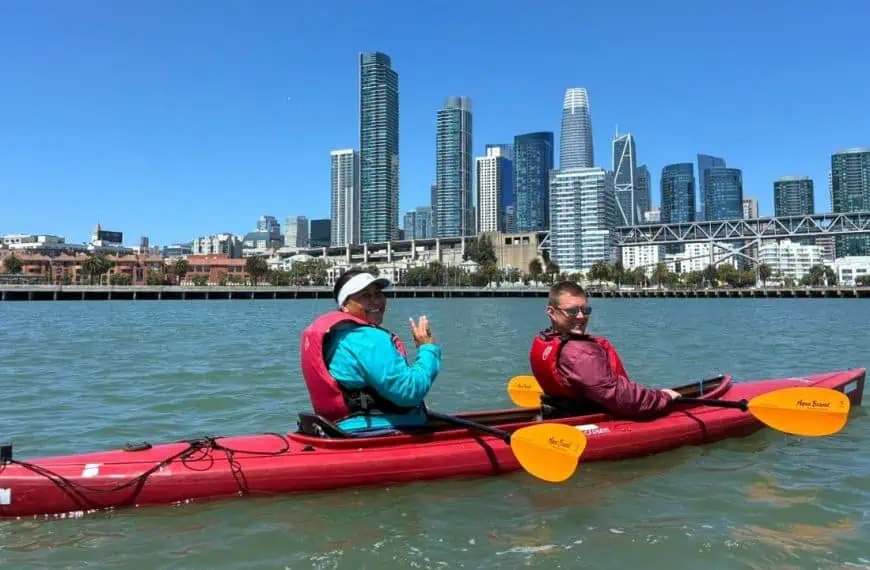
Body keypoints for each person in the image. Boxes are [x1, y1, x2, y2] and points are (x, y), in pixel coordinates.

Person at [299, 269, 441, 435]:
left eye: (378, 293)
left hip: (342, 427)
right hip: (378, 430)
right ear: (345, 305)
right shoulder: (365, 338)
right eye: (365, 296)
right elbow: (408, 391)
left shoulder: (339, 335)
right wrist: (427, 349)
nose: (375, 301)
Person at [528, 280, 681, 419]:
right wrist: (663, 397)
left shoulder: (546, 338)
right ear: (551, 312)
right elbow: (619, 396)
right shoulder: (579, 353)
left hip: (559, 413)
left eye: (585, 310)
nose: (581, 316)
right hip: (588, 419)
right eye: (572, 311)